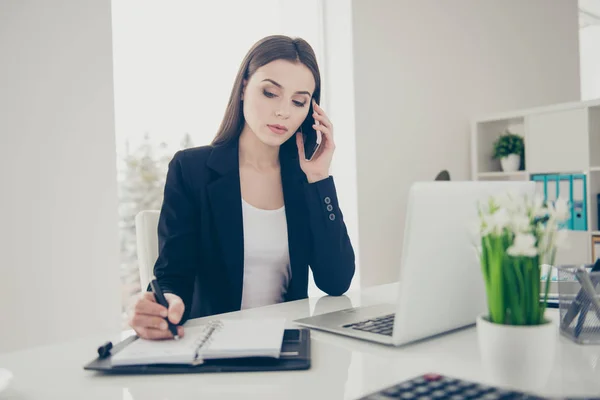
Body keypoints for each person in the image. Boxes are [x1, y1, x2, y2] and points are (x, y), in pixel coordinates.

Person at [128, 35, 355, 340]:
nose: (283, 112)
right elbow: (173, 275)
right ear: (244, 86)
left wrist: (319, 178)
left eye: (298, 101)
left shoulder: (304, 180)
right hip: (213, 349)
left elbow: (336, 281)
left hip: (285, 347)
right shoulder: (191, 169)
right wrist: (167, 303)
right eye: (271, 93)